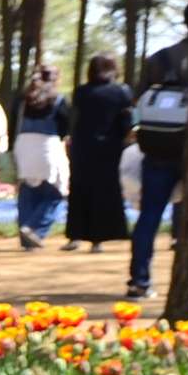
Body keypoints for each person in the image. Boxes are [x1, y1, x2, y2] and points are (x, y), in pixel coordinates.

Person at [128, 2, 188, 301]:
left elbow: (137, 100)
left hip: (156, 147)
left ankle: (138, 281)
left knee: (150, 215)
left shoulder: (159, 58)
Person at [63, 54, 132, 251]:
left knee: (79, 190)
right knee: (105, 192)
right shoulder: (121, 92)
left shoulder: (81, 92)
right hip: (109, 148)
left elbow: (74, 119)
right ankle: (98, 240)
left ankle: (75, 235)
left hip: (83, 147)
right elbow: (127, 120)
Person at [10, 66, 68, 250]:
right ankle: (34, 229)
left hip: (23, 146)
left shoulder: (22, 99)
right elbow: (65, 128)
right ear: (55, 79)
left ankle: (24, 231)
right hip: (47, 146)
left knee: (28, 190)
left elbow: (12, 125)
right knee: (54, 192)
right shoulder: (58, 99)